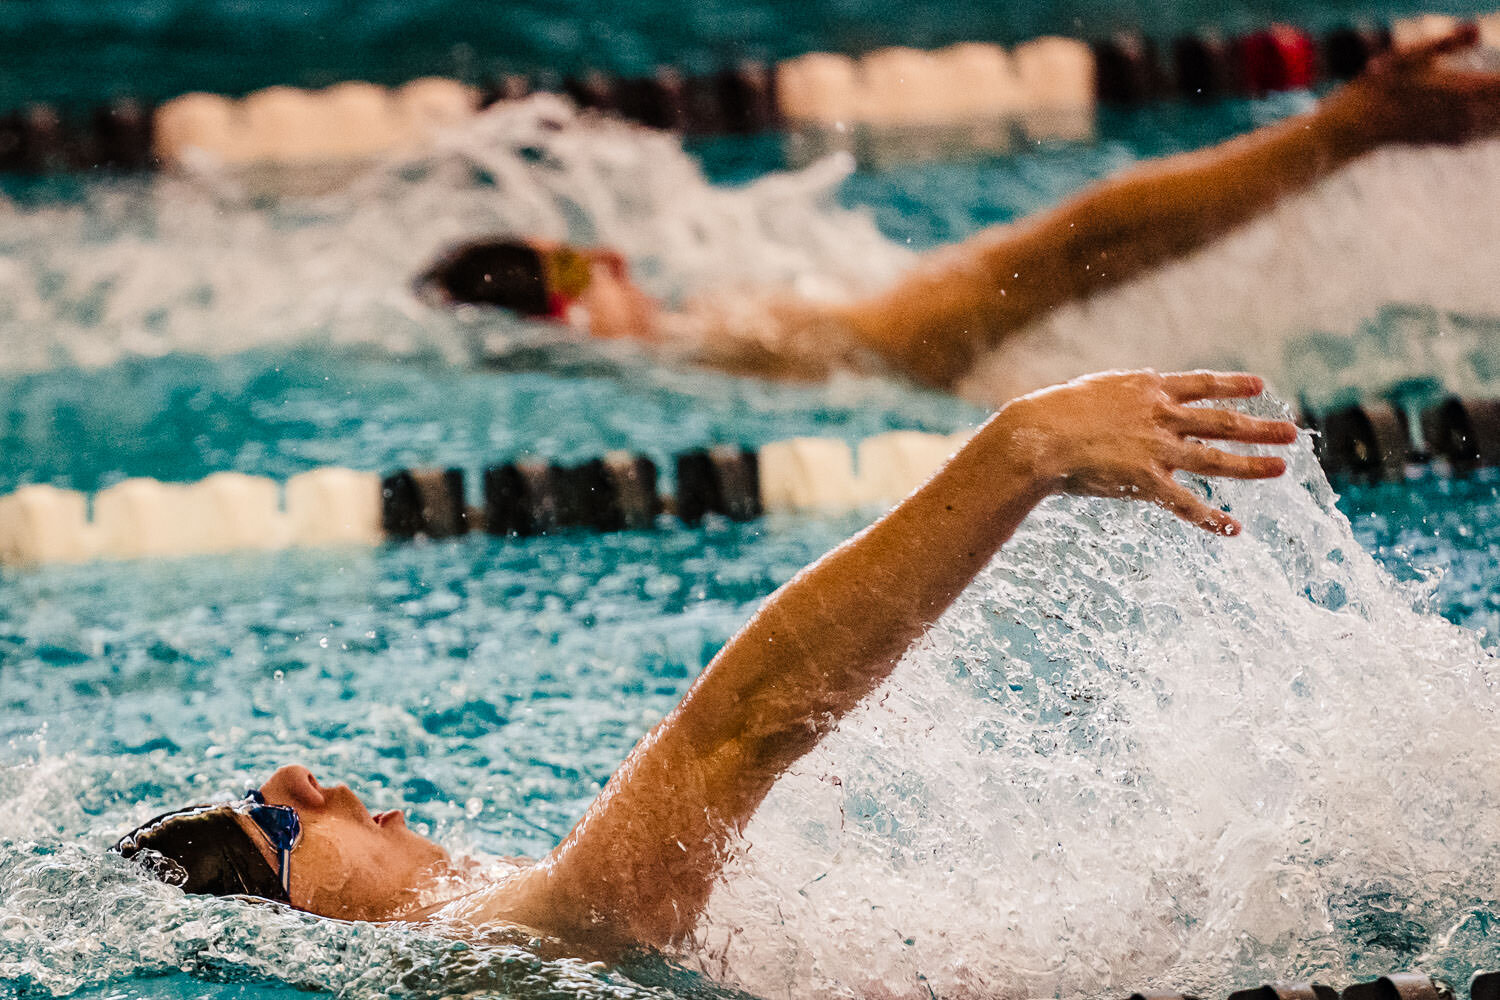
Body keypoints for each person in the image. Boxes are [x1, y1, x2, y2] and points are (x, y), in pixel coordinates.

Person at [115, 368, 1298, 952]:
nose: (310, 782)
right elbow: (754, 720)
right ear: (305, 917)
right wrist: (1020, 451)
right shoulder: (534, 936)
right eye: (274, 823)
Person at [418, 26, 1500, 391]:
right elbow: (1069, 250)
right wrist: (1344, 129)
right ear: (554, 331)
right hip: (891, 362)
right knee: (1066, 253)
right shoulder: (747, 347)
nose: (609, 259)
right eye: (571, 274)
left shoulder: (713, 332)